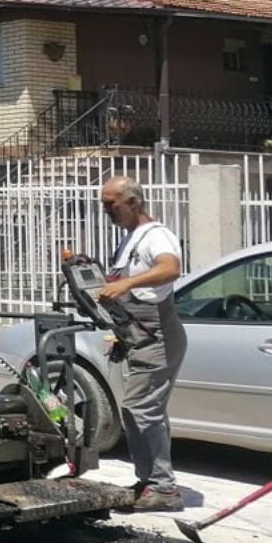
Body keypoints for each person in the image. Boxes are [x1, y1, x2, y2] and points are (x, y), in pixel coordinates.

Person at [96, 175, 187, 512]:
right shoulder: (129, 240)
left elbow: (170, 269)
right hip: (139, 337)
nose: (106, 210)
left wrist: (126, 284)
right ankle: (149, 480)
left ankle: (164, 487)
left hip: (158, 336)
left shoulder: (156, 236)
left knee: (142, 408)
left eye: (111, 204)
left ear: (133, 202)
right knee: (140, 410)